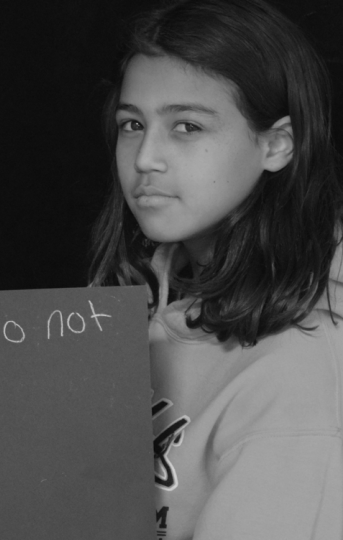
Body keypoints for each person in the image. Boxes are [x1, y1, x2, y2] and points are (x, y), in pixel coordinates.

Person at [88, 0, 343, 537]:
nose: (145, 158)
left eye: (186, 126)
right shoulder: (138, 312)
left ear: (277, 145)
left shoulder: (300, 365)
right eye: (132, 124)